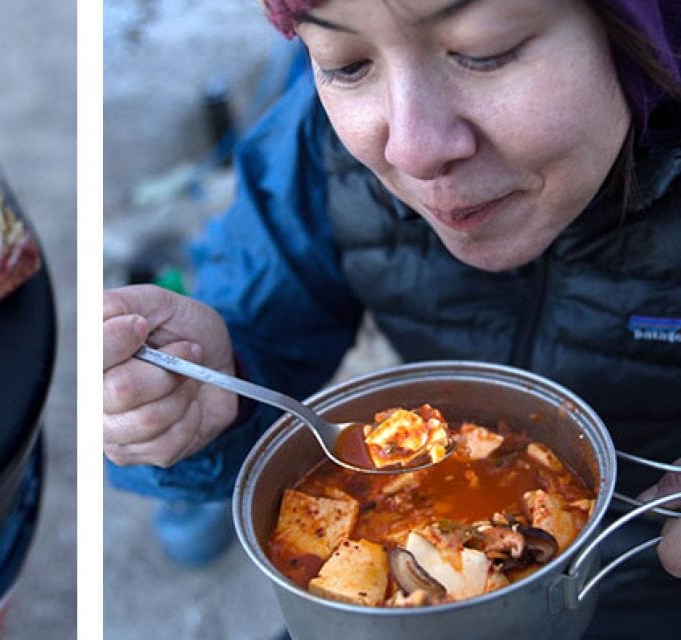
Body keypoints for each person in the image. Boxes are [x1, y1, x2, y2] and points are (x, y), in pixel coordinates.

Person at [104, 0, 681, 634]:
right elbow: (252, 322)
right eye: (347, 64)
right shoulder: (316, 152)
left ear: (636, 30)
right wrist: (197, 398)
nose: (412, 150)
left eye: (483, 51)